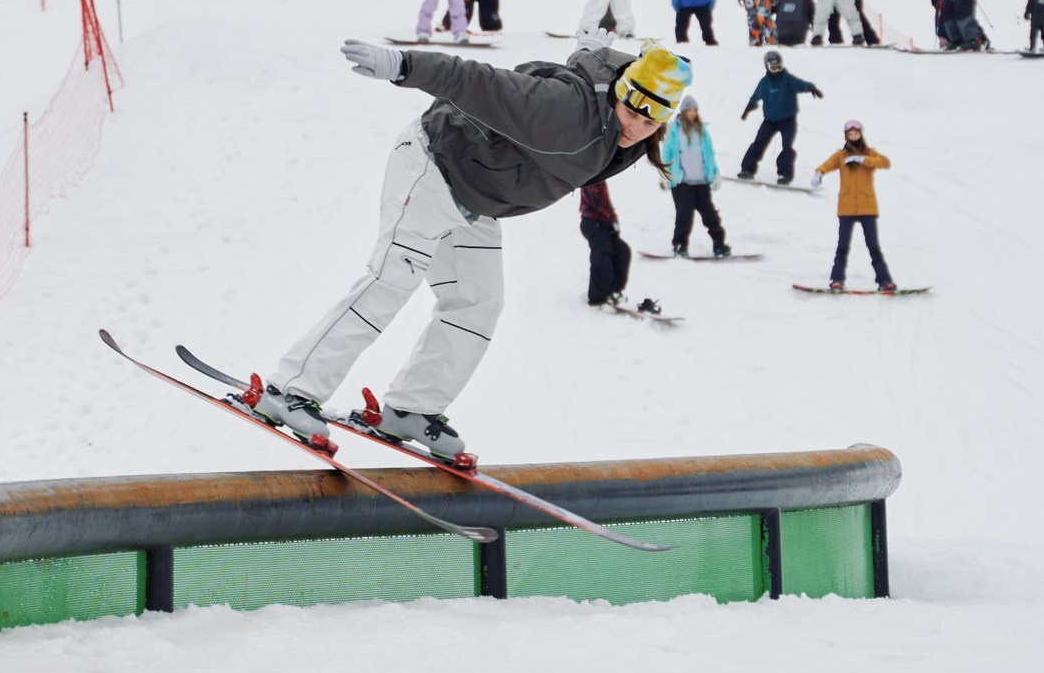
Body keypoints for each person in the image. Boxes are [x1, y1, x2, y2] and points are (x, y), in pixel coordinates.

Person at [248, 40, 687, 461]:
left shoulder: (627, 132)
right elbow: (473, 79)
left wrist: (587, 54)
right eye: (631, 113)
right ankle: (290, 389)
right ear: (620, 95)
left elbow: (593, 81)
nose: (636, 128)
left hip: (476, 200)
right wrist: (403, 64)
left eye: (650, 123)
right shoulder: (563, 108)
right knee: (393, 277)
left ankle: (411, 408)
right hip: (432, 163)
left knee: (479, 302)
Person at [814, 120, 894, 292]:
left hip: (867, 208)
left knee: (873, 246)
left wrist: (863, 159)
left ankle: (884, 281)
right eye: (850, 135)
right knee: (842, 246)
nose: (853, 137)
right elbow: (826, 165)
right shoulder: (841, 156)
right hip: (846, 208)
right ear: (846, 137)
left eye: (856, 134)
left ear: (861, 134)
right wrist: (819, 173)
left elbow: (885, 162)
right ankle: (837, 281)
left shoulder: (869, 154)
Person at [738, 49, 823, 182]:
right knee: (758, 143)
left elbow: (800, 84)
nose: (777, 70)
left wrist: (811, 87)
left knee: (787, 147)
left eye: (779, 67)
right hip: (770, 120)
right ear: (767, 67)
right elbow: (755, 97)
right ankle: (747, 169)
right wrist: (747, 110)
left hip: (788, 120)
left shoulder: (787, 79)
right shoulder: (764, 83)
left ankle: (784, 174)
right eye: (773, 67)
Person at [660, 97, 730, 257]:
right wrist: (665, 175)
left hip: (701, 182)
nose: (694, 113)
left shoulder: (702, 131)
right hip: (682, 183)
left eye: (696, 110)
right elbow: (667, 154)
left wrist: (715, 174)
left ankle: (719, 245)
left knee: (710, 216)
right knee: (684, 217)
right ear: (684, 112)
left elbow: (710, 155)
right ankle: (679, 246)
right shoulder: (674, 130)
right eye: (691, 110)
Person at [579, 176, 633, 307]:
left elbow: (605, 204)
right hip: (593, 222)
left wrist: (613, 221)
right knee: (602, 256)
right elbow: (599, 203)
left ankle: (614, 291)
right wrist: (611, 219)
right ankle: (597, 298)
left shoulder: (601, 175)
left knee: (622, 251)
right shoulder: (592, 175)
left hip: (603, 223)